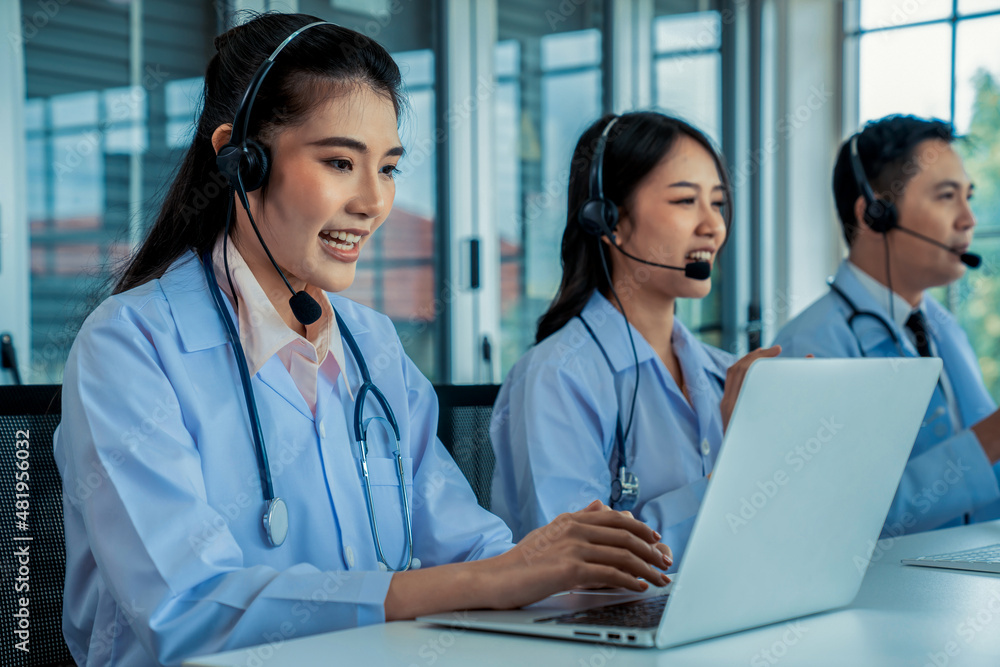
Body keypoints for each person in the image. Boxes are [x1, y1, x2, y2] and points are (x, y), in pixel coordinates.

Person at [54, 14, 673, 667]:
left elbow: (464, 547)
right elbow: (187, 610)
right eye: (340, 162)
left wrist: (566, 574)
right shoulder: (129, 346)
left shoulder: (372, 345)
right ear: (241, 161)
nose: (375, 200)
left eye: (389, 167)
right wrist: (482, 582)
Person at [490, 112, 780, 568]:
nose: (713, 226)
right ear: (611, 220)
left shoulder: (727, 374)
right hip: (598, 631)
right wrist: (739, 471)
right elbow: (582, 567)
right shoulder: (558, 376)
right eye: (686, 201)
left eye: (719, 204)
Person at [773, 114, 1000, 536]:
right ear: (875, 214)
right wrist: (991, 438)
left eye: (969, 196)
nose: (968, 218)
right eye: (947, 196)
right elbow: (836, 517)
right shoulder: (809, 347)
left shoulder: (943, 327)